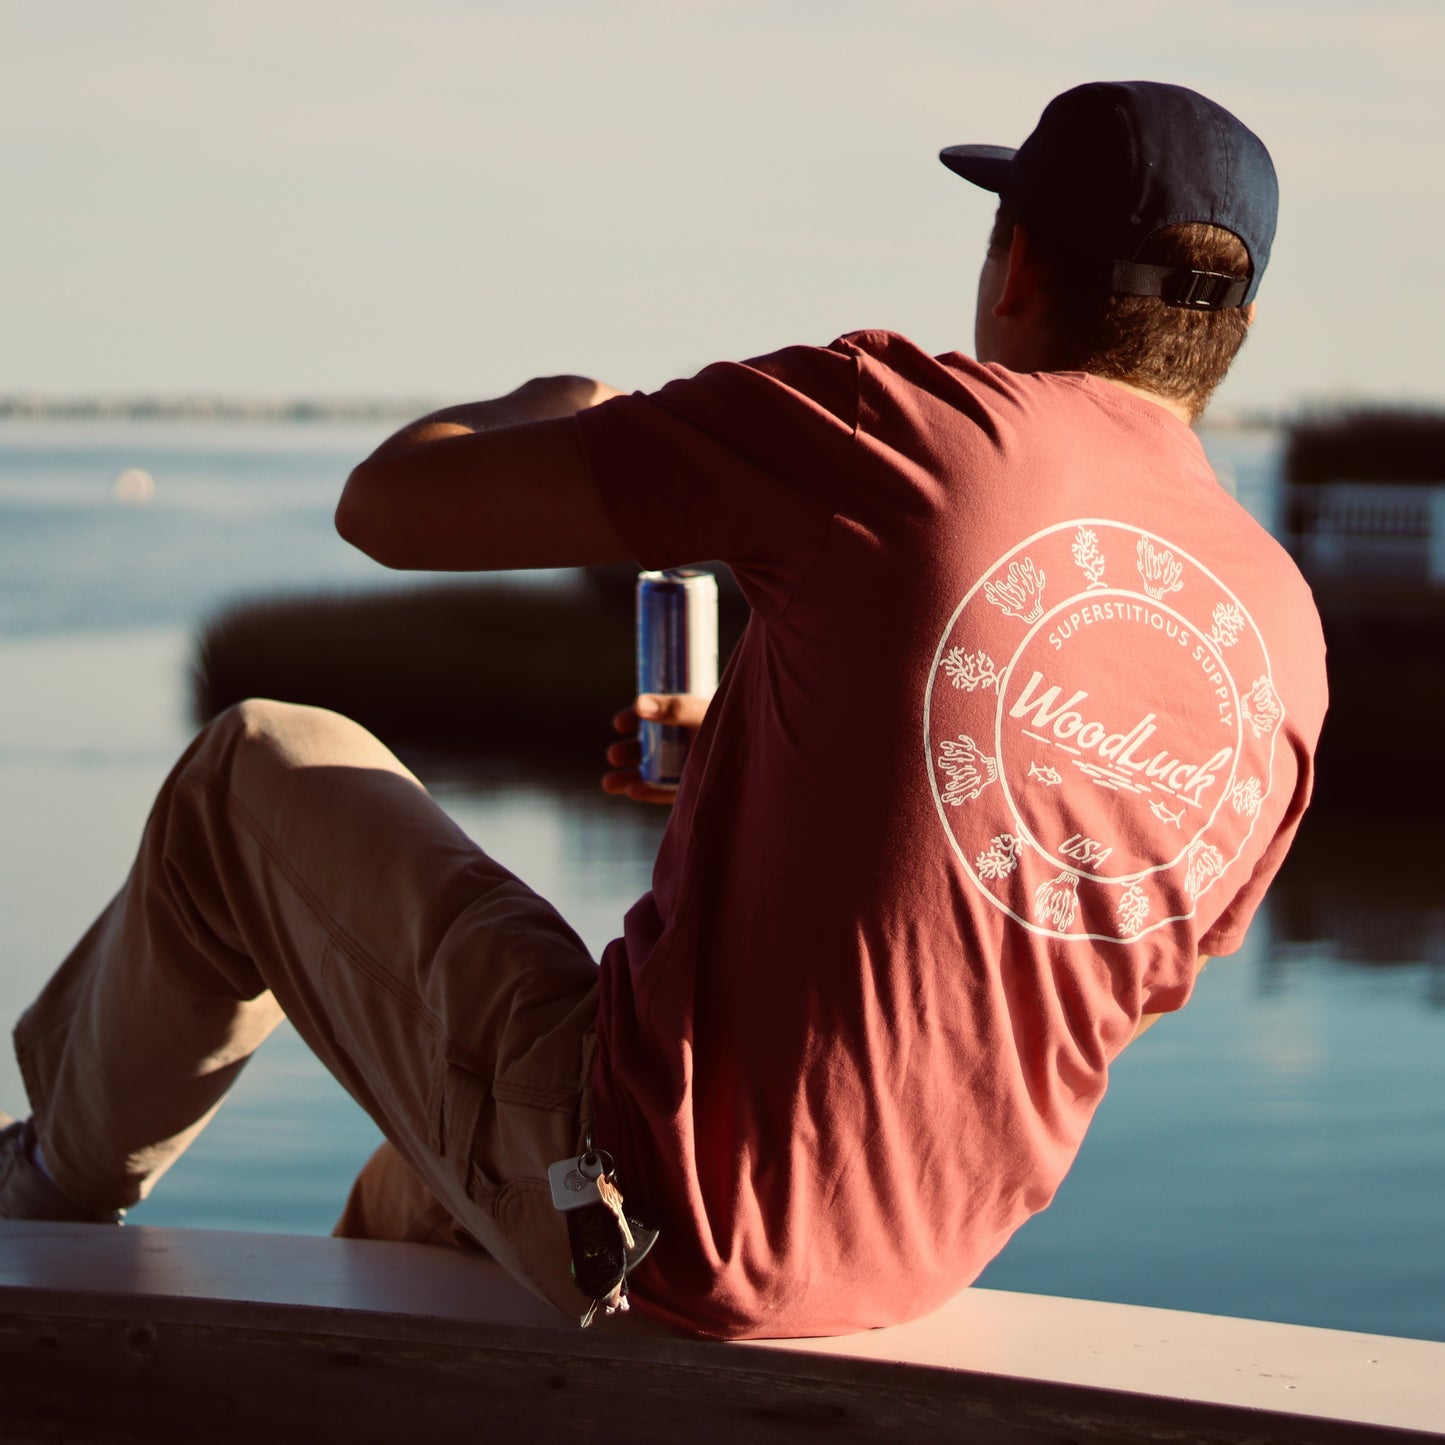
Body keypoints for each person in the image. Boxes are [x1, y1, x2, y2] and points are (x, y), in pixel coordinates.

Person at [1, 80, 1326, 1341]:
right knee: (415, 1186)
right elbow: (1074, 931)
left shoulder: (896, 426)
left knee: (252, 766)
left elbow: (386, 507)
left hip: (648, 1201)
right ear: (1236, 329)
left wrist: (548, 407)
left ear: (1017, 261)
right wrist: (748, 771)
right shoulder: (1280, 635)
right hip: (906, 1262)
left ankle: (37, 1207)